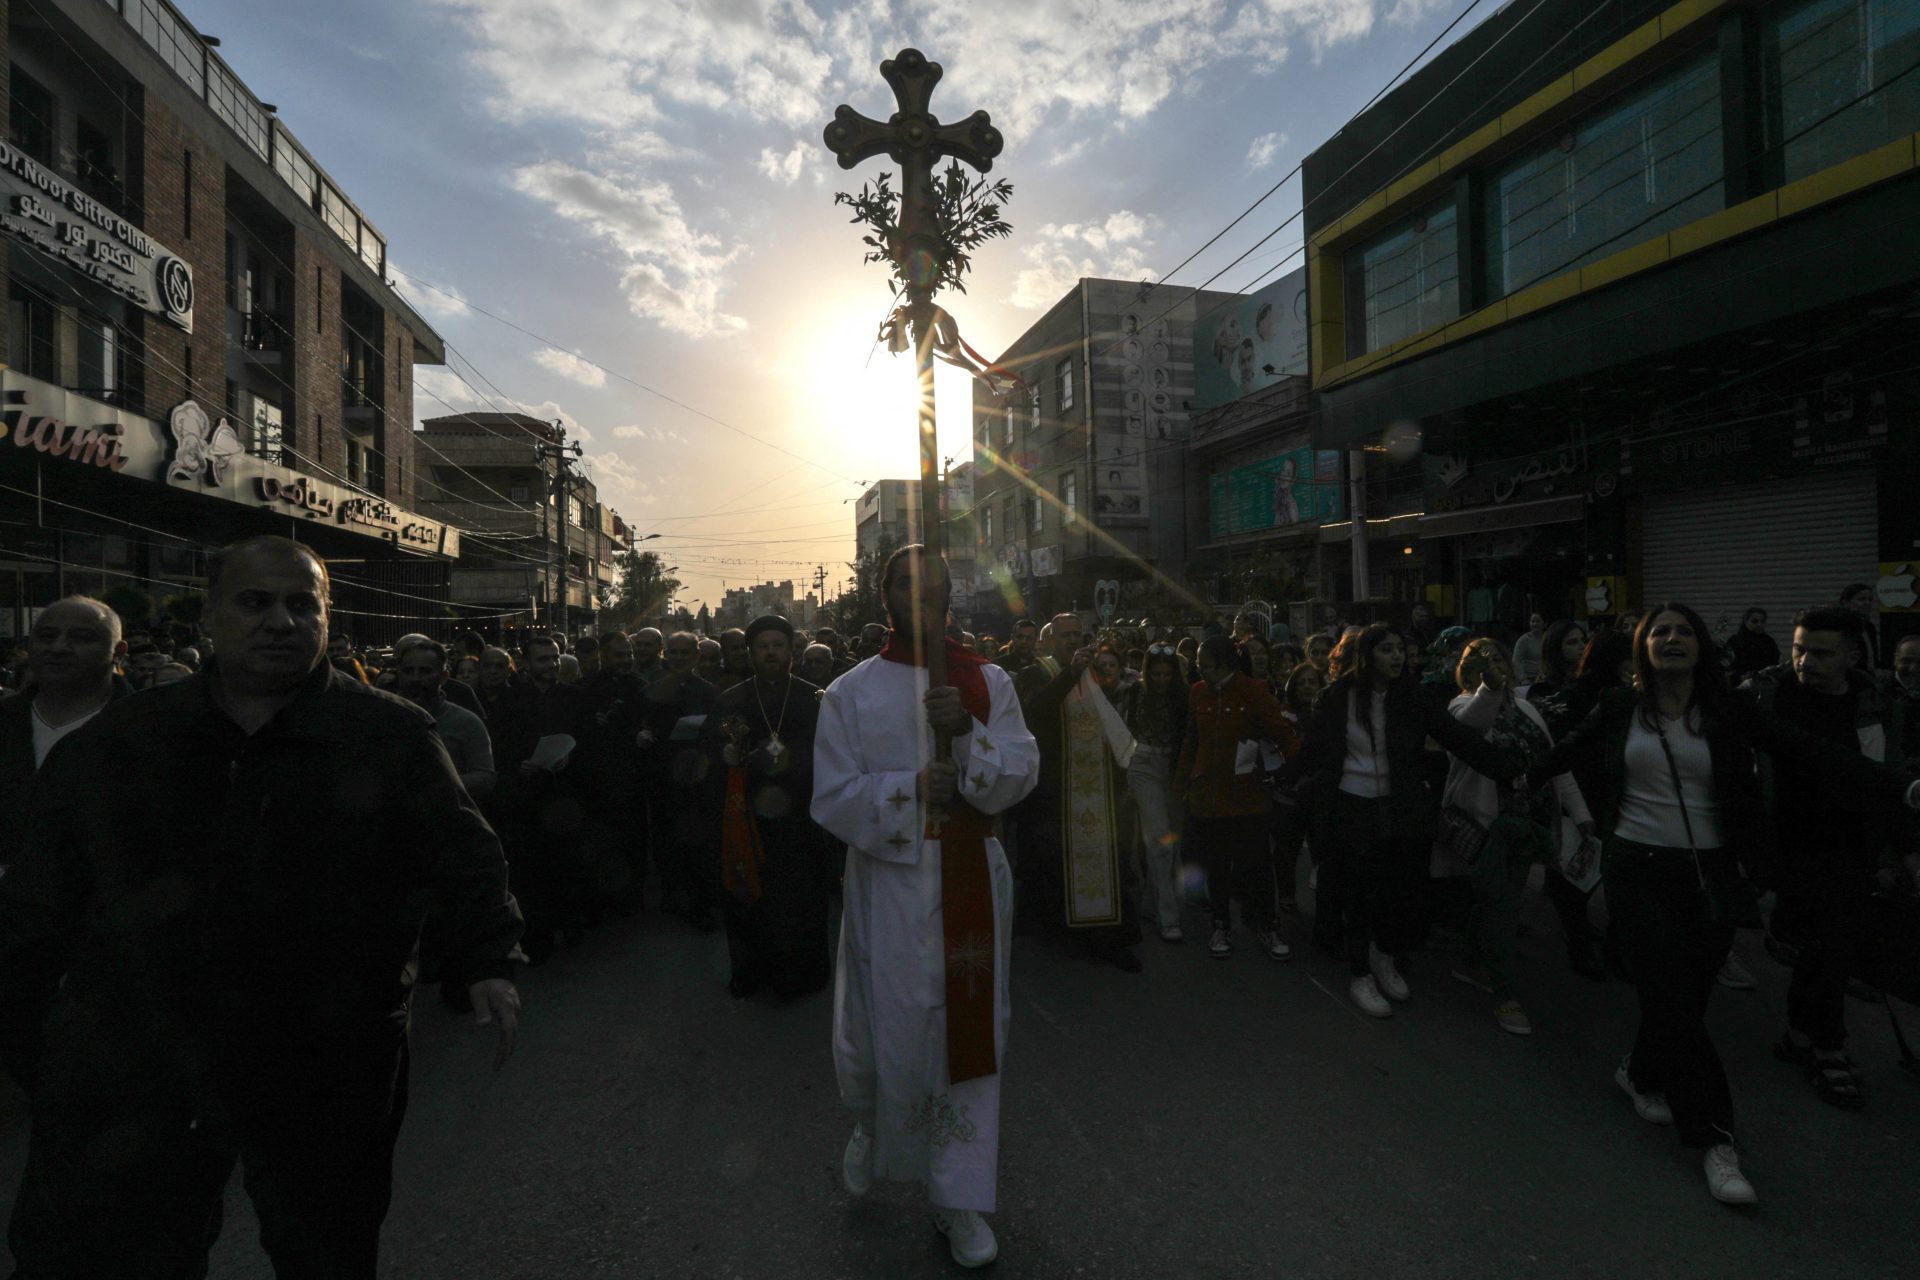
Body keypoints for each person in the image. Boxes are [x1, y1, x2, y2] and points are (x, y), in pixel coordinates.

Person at [0, 536, 522, 1276]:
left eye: (301, 604)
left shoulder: (389, 734)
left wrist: (488, 961)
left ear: (325, 618)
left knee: (325, 1245)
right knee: (123, 1248)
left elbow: (463, 855)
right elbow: (43, 892)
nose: (280, 621)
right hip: (149, 1052)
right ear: (212, 615)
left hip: (328, 1055)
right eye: (255, 602)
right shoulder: (130, 738)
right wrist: (35, 1033)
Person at [1536, 604, 1920, 1205]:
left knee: (1686, 996)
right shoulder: (1618, 709)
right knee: (1670, 997)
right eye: (1659, 632)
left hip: (1711, 875)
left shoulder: (1728, 708)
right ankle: (1717, 1141)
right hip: (1637, 869)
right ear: (1642, 648)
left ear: (1700, 647)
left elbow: (1810, 749)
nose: (1671, 639)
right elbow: (1562, 754)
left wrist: (1902, 786)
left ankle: (1639, 1071)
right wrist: (1511, 774)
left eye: (1684, 630)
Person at [813, 545, 1039, 1269]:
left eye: (933, 586)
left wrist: (968, 734)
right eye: (906, 586)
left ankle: (958, 1199)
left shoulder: (986, 680)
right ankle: (871, 1122)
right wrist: (912, 788)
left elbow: (1020, 771)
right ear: (884, 597)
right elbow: (833, 797)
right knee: (884, 1034)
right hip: (891, 881)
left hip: (971, 871)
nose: (921, 597)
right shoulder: (850, 692)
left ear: (949, 597)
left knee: (970, 1042)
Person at [1282, 625, 1522, 1018]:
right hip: (1351, 806)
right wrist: (1284, 778)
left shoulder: (1413, 696)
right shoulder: (1336, 697)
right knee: (1358, 892)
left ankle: (1382, 955)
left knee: (1399, 889)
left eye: (1399, 650)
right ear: (1366, 656)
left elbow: (1455, 736)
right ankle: (1359, 971)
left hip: (1400, 808)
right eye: (1387, 650)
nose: (1397, 657)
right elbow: (1315, 751)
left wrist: (1507, 769)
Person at [1739, 607, 1907, 1108]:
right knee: (1822, 945)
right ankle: (1817, 1042)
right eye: (1798, 649)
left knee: (1829, 946)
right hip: (1789, 845)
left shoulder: (1873, 705)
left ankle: (1814, 1042)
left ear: (1852, 655)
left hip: (1851, 846)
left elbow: (1887, 781)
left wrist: (1902, 850)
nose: (1804, 661)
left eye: (1820, 652)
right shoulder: (1765, 695)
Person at [1438, 639, 1593, 1036]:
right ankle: (1505, 993)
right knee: (1501, 907)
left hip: (1532, 822)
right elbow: (1473, 724)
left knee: (1499, 901)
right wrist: (1489, 689)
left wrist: (1581, 814)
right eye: (1483, 661)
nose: (1494, 665)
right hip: (1489, 826)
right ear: (1469, 672)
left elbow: (1554, 762)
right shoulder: (1461, 704)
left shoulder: (1527, 708)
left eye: (1499, 658)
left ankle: (1471, 958)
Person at [703, 615, 832, 999]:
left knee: (801, 899)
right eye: (763, 646)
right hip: (750, 818)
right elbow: (708, 749)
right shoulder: (731, 698)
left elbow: (833, 754)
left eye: (778, 645)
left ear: (791, 651)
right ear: (751, 652)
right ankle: (752, 972)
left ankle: (803, 975)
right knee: (751, 900)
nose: (771, 652)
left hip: (802, 817)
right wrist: (723, 754)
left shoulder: (815, 699)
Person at [1014, 617, 1144, 971]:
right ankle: (1062, 935)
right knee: (1055, 866)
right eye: (1065, 636)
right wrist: (1069, 674)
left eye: (1077, 635)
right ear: (1050, 641)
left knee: (1101, 859)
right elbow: (1034, 714)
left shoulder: (1091, 674)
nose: (1073, 640)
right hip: (1052, 788)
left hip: (1091, 785)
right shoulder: (1036, 672)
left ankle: (1109, 940)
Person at [1174, 635, 1299, 961]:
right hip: (1207, 796)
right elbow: (1191, 741)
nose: (1200, 671)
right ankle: (1220, 922)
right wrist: (1181, 784)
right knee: (1215, 864)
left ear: (1226, 665)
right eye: (1198, 665)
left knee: (1256, 863)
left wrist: (1295, 771)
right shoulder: (1197, 692)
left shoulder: (1253, 691)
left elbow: (1283, 735)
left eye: (1206, 665)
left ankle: (1268, 924)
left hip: (1248, 796)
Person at [1529, 629, 1637, 979]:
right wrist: (1573, 806)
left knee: (1604, 871)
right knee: (1574, 873)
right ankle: (1577, 940)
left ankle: (1604, 942)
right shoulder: (1579, 698)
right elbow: (1559, 754)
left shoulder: (1634, 696)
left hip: (1616, 797)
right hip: (1581, 796)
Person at [0, 597, 127, 870]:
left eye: (82, 638)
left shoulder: (149, 728)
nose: (58, 648)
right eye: (46, 636)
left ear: (118, 651)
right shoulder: (6, 721)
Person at [641, 631, 719, 927]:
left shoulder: (709, 693)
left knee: (699, 844)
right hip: (664, 780)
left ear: (696, 656)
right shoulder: (653, 690)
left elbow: (717, 733)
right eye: (673, 653)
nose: (679, 658)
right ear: (666, 655)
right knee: (667, 842)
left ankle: (701, 904)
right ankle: (673, 897)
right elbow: (646, 728)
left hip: (698, 781)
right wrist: (646, 735)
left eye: (685, 653)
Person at [1121, 646, 1188, 941]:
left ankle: (1149, 903)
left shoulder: (1184, 696)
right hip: (1143, 765)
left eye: (1167, 674)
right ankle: (1168, 916)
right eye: (1156, 673)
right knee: (1162, 842)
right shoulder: (1133, 693)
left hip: (1174, 768)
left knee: (1170, 844)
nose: (1162, 679)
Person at [394, 638, 495, 801]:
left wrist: (439, 783)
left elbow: (485, 777)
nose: (415, 678)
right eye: (408, 671)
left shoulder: (467, 722)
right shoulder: (386, 716)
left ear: (443, 677)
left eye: (425, 671)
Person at [1272, 661, 1324, 919]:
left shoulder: (1327, 715)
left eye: (1311, 682)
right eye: (1301, 682)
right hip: (1289, 793)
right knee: (1286, 849)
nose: (1306, 687)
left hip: (1320, 791)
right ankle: (1287, 896)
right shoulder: (1284, 717)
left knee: (1322, 849)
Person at [1524, 619, 1587, 702]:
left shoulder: (1588, 678)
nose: (1583, 646)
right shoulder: (1543, 689)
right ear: (1557, 648)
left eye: (1584, 640)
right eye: (1572, 642)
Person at [1724, 608, 1780, 680]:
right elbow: (1729, 667)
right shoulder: (1735, 641)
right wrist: (1740, 677)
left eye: (1762, 621)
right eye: (1754, 621)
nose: (1759, 624)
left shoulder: (1769, 641)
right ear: (1745, 622)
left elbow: (1774, 663)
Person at [1511, 613, 1548, 684]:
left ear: (1545, 623)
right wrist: (1523, 679)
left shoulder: (1548, 639)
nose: (1535, 624)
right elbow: (1517, 661)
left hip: (1544, 677)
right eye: (1532, 621)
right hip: (1529, 677)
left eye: (1538, 621)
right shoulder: (1523, 640)